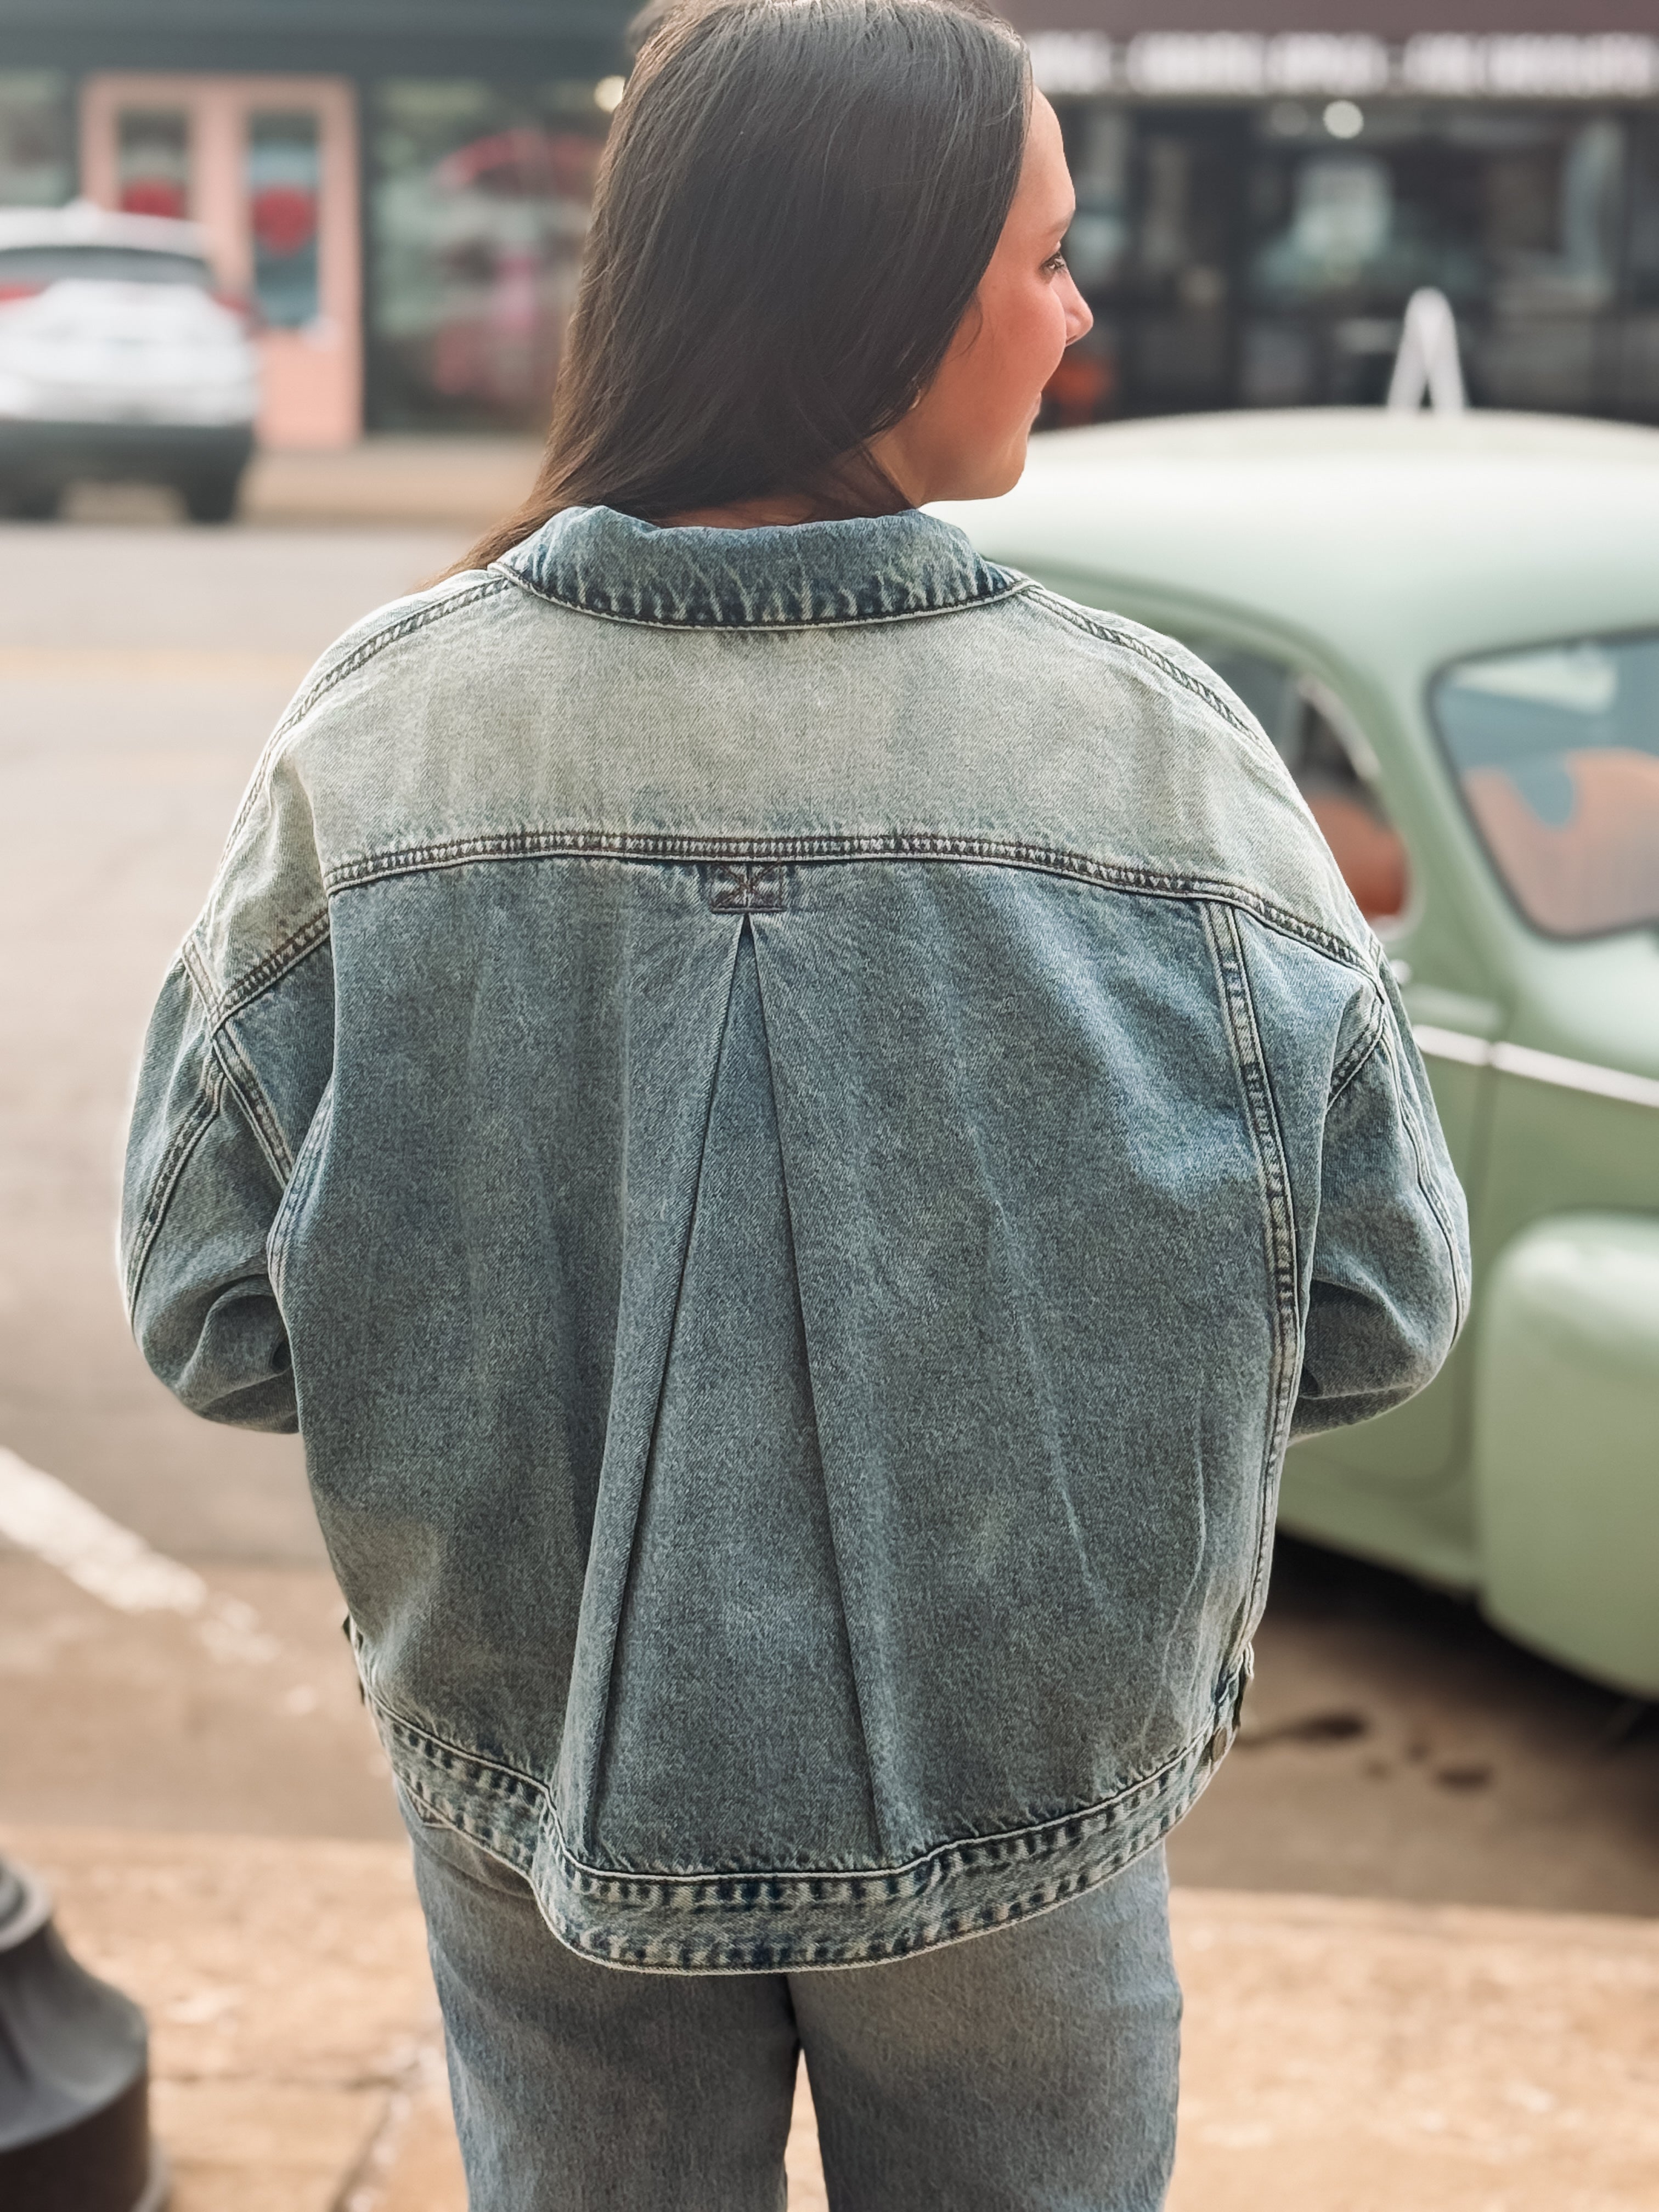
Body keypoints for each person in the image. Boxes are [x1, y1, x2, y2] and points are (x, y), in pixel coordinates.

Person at [120, 2, 1469, 2205]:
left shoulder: (381, 748)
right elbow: (1378, 1308)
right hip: (1025, 1793)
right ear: (883, 299)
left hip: (533, 1760)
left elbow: (207, 1307)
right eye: (1045, 256)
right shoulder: (1168, 762)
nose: (1080, 309)